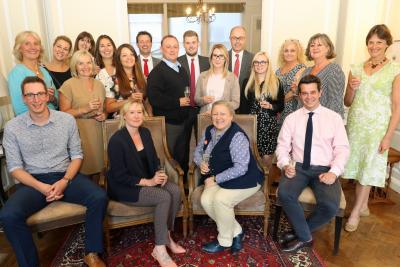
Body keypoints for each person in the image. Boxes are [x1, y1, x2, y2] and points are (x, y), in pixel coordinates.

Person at [0, 76, 108, 267]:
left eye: (40, 94)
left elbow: (76, 156)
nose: (36, 99)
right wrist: (41, 187)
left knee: (98, 196)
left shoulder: (66, 120)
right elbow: (15, 168)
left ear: (47, 96)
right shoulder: (12, 127)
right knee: (8, 215)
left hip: (65, 175)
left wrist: (65, 180)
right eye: (30, 95)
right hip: (32, 181)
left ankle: (92, 253)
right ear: (24, 98)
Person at [276, 75, 349, 253]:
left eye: (312, 92)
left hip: (324, 169)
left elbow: (342, 149)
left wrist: (334, 172)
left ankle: (298, 232)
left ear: (320, 92)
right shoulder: (292, 118)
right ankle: (306, 238)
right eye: (304, 93)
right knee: (285, 194)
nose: (308, 97)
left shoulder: (334, 118)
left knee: (331, 205)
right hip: (298, 166)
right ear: (299, 95)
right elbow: (282, 147)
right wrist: (285, 165)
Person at [107, 100, 185, 267]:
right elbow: (119, 176)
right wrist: (149, 182)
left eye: (139, 112)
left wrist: (159, 173)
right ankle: (159, 248)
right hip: (127, 187)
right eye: (132, 112)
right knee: (164, 197)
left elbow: (155, 159)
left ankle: (167, 236)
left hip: (149, 179)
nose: (136, 116)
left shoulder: (145, 133)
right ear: (124, 116)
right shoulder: (117, 140)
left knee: (175, 190)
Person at [343, 24, 400, 232]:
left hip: (377, 128)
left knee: (367, 169)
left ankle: (356, 212)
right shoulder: (356, 68)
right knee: (356, 168)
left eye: (379, 42)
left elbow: (397, 106)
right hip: (356, 126)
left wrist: (388, 137)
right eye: (371, 42)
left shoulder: (395, 70)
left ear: (387, 45)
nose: (374, 46)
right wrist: (351, 88)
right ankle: (364, 204)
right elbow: (348, 102)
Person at [193, 100, 263, 254]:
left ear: (231, 116)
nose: (218, 118)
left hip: (246, 178)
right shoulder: (209, 130)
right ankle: (237, 232)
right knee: (205, 200)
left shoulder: (237, 136)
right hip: (222, 177)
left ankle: (224, 241)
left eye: (223, 114)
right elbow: (198, 152)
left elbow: (240, 168)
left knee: (220, 200)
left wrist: (215, 179)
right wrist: (202, 163)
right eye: (215, 114)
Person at [147, 35, 191, 175]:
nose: (172, 50)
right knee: (168, 158)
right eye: (168, 46)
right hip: (169, 124)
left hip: (184, 123)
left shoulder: (181, 69)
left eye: (175, 46)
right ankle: (169, 189)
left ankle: (182, 187)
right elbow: (154, 99)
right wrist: (177, 102)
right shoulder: (157, 72)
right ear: (161, 49)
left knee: (182, 157)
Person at [59, 50, 106, 176]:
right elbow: (63, 115)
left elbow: (104, 108)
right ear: (75, 66)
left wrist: (103, 115)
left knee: (102, 168)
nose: (86, 67)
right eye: (81, 63)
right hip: (80, 133)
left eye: (88, 63)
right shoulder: (68, 85)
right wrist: (85, 109)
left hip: (99, 131)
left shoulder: (99, 84)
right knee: (83, 170)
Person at [244, 51, 284, 170]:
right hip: (251, 126)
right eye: (256, 62)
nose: (259, 64)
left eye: (263, 62)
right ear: (253, 65)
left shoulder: (276, 82)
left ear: (268, 64)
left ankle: (266, 186)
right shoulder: (247, 82)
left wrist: (271, 106)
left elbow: (281, 105)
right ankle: (254, 186)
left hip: (269, 128)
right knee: (252, 158)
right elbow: (243, 107)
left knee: (266, 161)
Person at [8, 31, 58, 115]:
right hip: (32, 124)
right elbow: (19, 109)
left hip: (54, 117)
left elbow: (56, 103)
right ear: (20, 48)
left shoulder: (44, 71)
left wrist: (52, 99)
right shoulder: (16, 73)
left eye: (36, 43)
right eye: (27, 44)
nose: (33, 47)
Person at [300, 33, 345, 118]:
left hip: (325, 120)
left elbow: (335, 101)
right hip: (306, 119)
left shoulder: (334, 69)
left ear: (328, 49)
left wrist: (327, 122)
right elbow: (301, 100)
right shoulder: (306, 71)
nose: (315, 48)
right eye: (312, 45)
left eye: (319, 45)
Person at [177, 30, 210, 142]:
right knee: (183, 143)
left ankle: (202, 160)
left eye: (193, 42)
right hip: (184, 108)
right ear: (183, 44)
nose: (191, 46)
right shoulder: (177, 62)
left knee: (204, 140)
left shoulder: (207, 62)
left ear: (198, 43)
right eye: (188, 43)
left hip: (203, 107)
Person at [105, 44, 152, 117]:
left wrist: (150, 117)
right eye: (124, 55)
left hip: (141, 120)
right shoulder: (112, 80)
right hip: (121, 123)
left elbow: (146, 102)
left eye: (131, 54)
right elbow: (109, 108)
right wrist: (129, 100)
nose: (129, 58)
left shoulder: (143, 78)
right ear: (119, 59)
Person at [195, 44, 240, 113]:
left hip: (224, 118)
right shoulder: (202, 76)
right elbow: (196, 99)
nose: (217, 59)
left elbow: (236, 103)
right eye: (215, 55)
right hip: (205, 116)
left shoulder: (232, 78)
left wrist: (218, 109)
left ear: (225, 59)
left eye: (221, 56)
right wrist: (203, 100)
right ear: (211, 58)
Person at [275, 39, 306, 128]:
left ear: (298, 53)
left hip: (292, 110)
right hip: (278, 112)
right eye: (286, 50)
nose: (289, 53)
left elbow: (294, 92)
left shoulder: (301, 69)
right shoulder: (278, 70)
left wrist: (277, 105)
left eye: (292, 50)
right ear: (282, 53)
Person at [228, 26, 254, 114]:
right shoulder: (222, 57)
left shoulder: (253, 58)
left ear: (245, 39)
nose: (237, 41)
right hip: (226, 105)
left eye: (241, 38)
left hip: (246, 105)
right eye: (234, 38)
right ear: (230, 39)